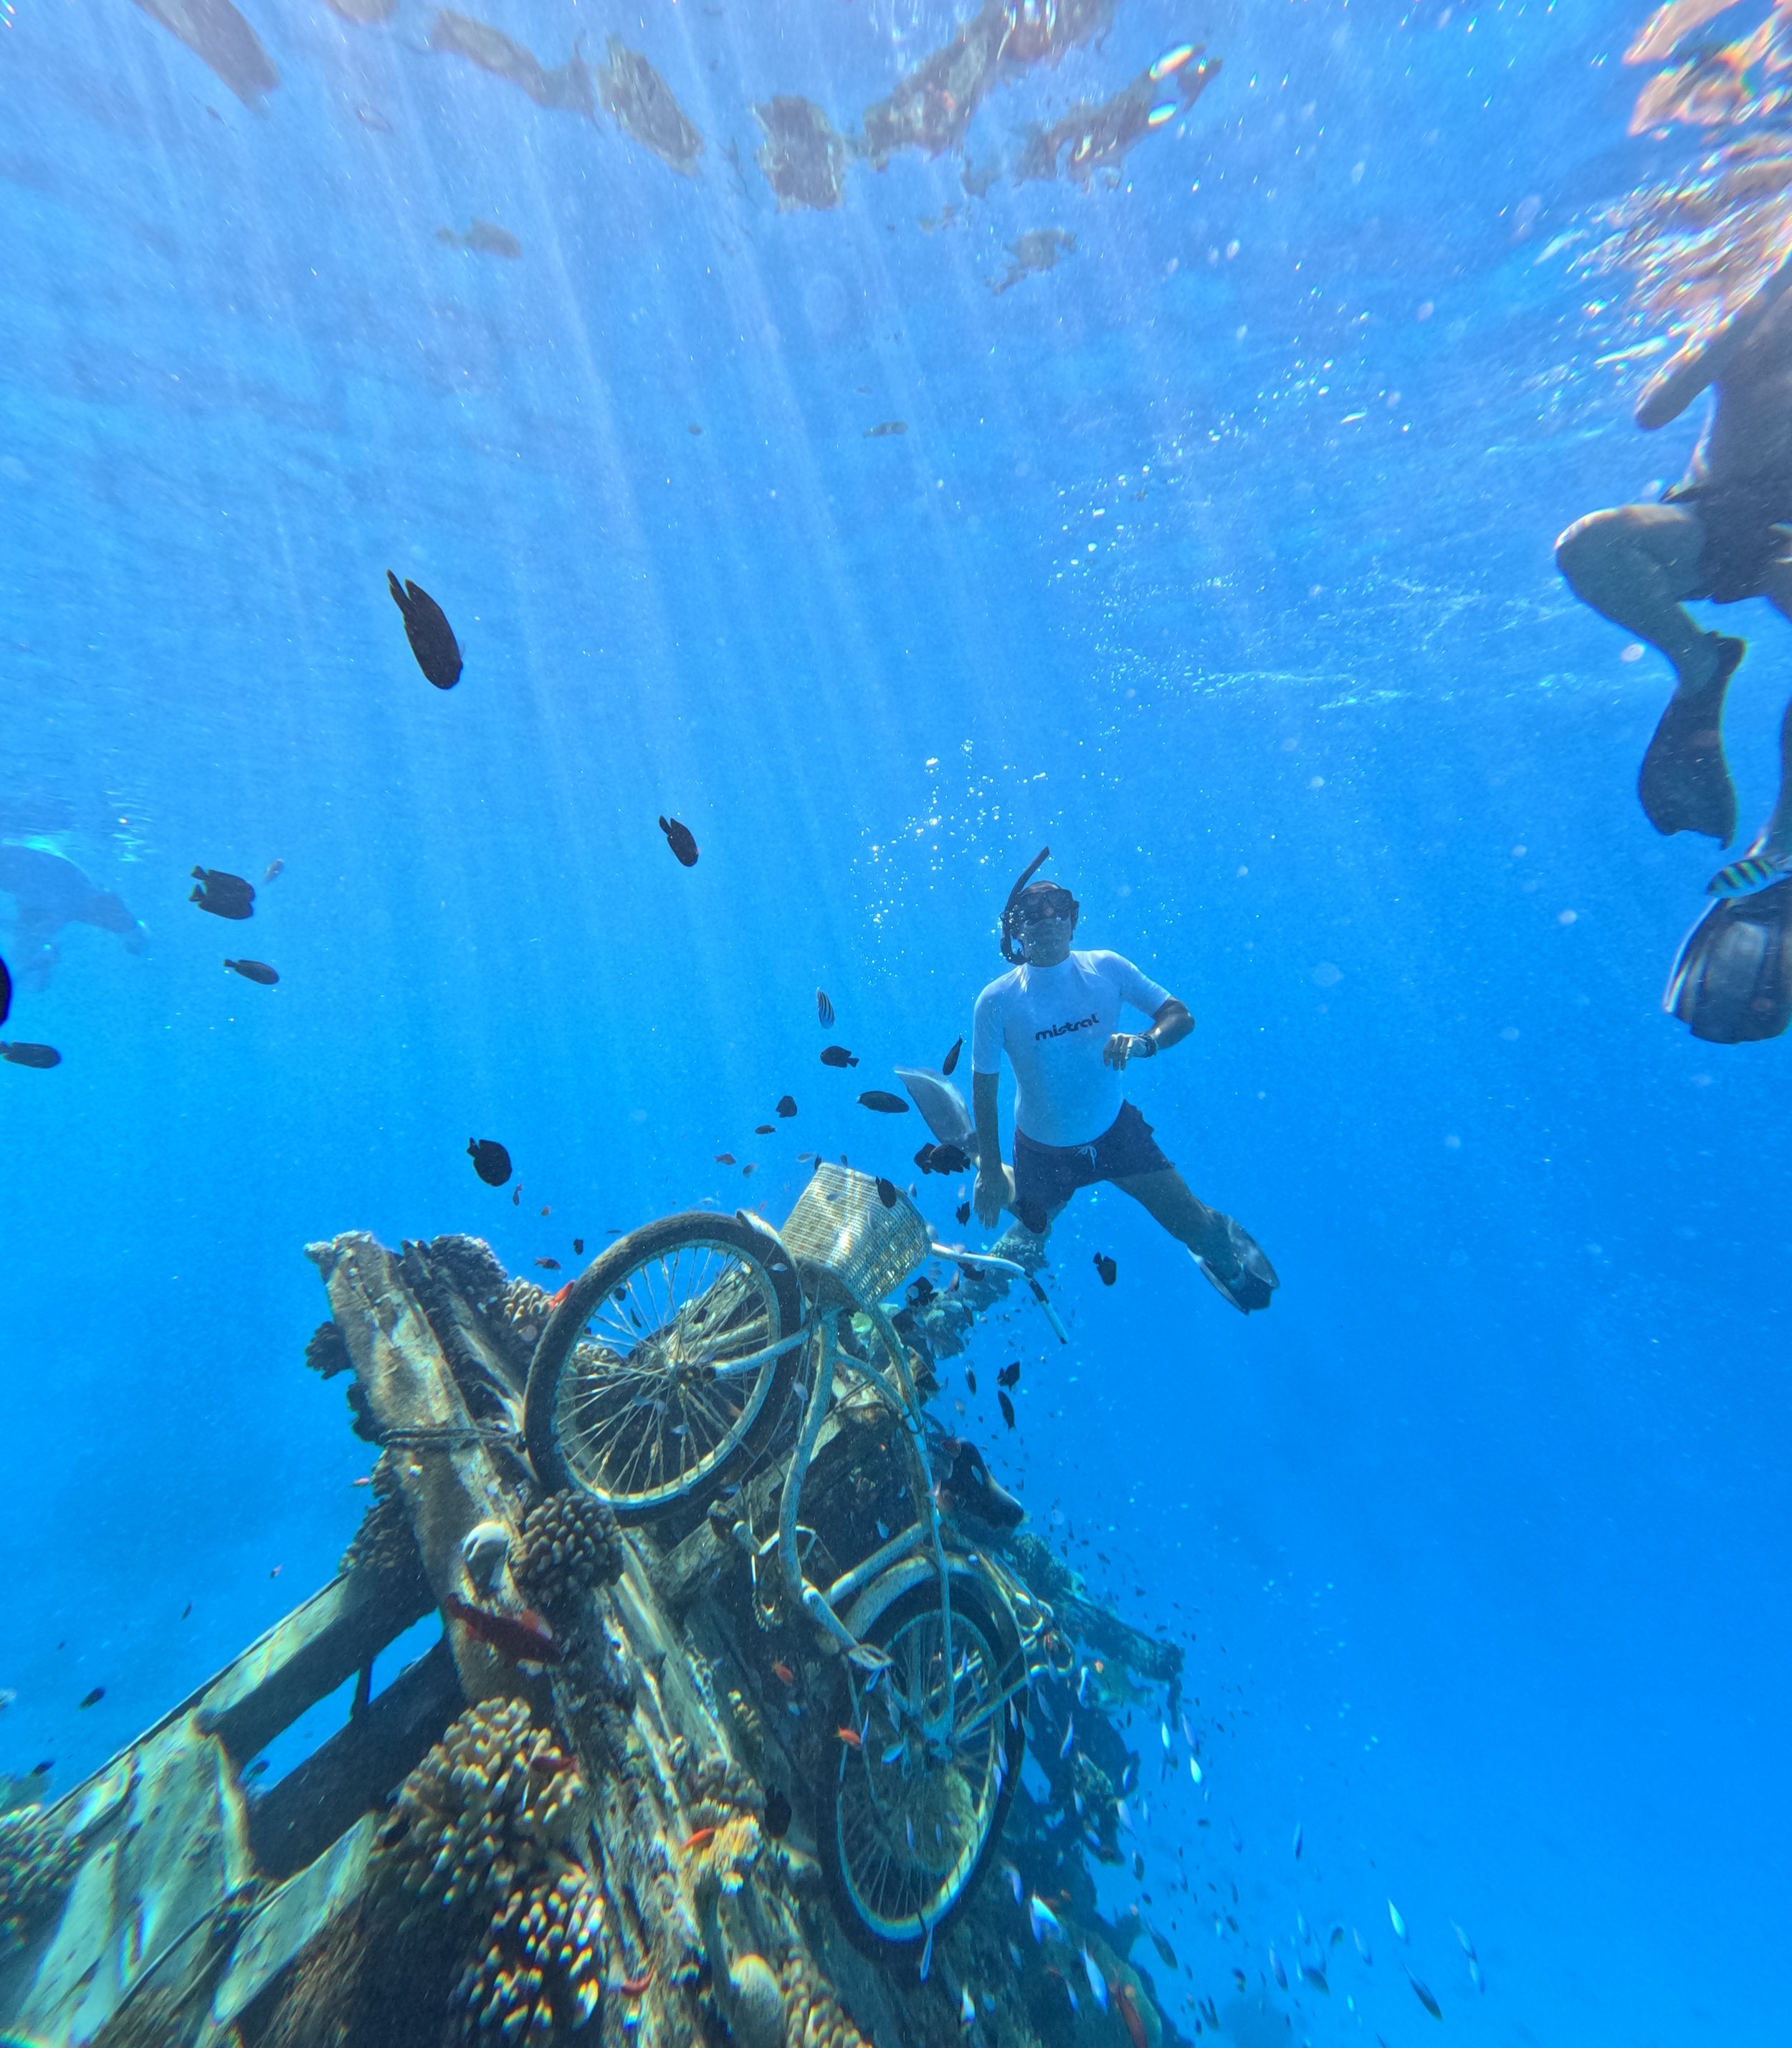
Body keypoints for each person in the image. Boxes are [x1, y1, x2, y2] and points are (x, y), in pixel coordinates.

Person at [968, 854, 1277, 1314]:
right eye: (1033, 910)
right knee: (1031, 1227)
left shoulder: (1106, 969)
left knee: (1196, 1228)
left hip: (1117, 1136)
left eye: (1058, 904)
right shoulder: (996, 1001)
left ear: (1074, 919)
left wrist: (1145, 1043)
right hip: (1041, 1151)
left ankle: (1225, 1264)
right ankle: (997, 1172)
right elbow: (985, 1090)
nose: (1048, 916)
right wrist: (992, 1171)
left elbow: (1179, 1016)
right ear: (1016, 930)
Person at [1555, 260, 1792, 854]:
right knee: (1589, 545)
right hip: (1708, 522)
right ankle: (1699, 665)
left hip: (1785, 545)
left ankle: (1780, 845)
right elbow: (1652, 412)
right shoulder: (1754, 319)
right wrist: (1763, 291)